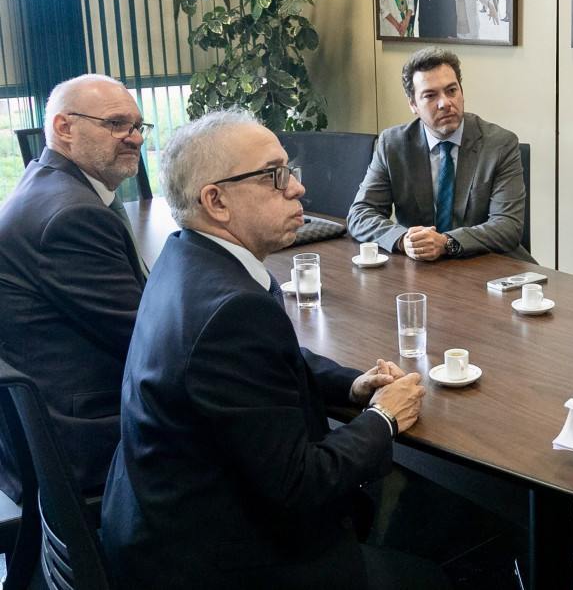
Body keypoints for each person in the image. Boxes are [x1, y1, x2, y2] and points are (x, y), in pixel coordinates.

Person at [100, 111, 447, 589]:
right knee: (434, 571)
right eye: (274, 177)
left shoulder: (185, 259)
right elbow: (302, 484)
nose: (298, 189)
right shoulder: (232, 312)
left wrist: (350, 382)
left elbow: (267, 364)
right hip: (225, 561)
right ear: (216, 201)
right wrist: (382, 418)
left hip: (165, 517)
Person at [0, 73, 150, 503]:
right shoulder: (71, 217)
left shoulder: (49, 187)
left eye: (139, 126)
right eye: (117, 124)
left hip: (41, 427)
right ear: (64, 128)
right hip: (83, 441)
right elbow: (150, 340)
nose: (134, 138)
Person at [347, 47, 533, 263]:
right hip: (421, 270)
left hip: (489, 266)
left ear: (462, 92)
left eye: (451, 90)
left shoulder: (499, 144)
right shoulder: (393, 144)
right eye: (430, 95)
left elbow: (508, 227)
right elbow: (361, 213)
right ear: (413, 105)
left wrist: (446, 242)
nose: (445, 103)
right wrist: (403, 239)